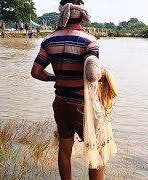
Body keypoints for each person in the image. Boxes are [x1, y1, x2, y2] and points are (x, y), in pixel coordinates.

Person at [31, 0, 106, 179]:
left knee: (65, 149)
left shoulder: (49, 40)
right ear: (82, 13)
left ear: (62, 14)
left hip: (60, 102)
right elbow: (93, 74)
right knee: (95, 150)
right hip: (81, 104)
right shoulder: (89, 40)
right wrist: (103, 75)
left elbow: (36, 72)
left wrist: (57, 77)